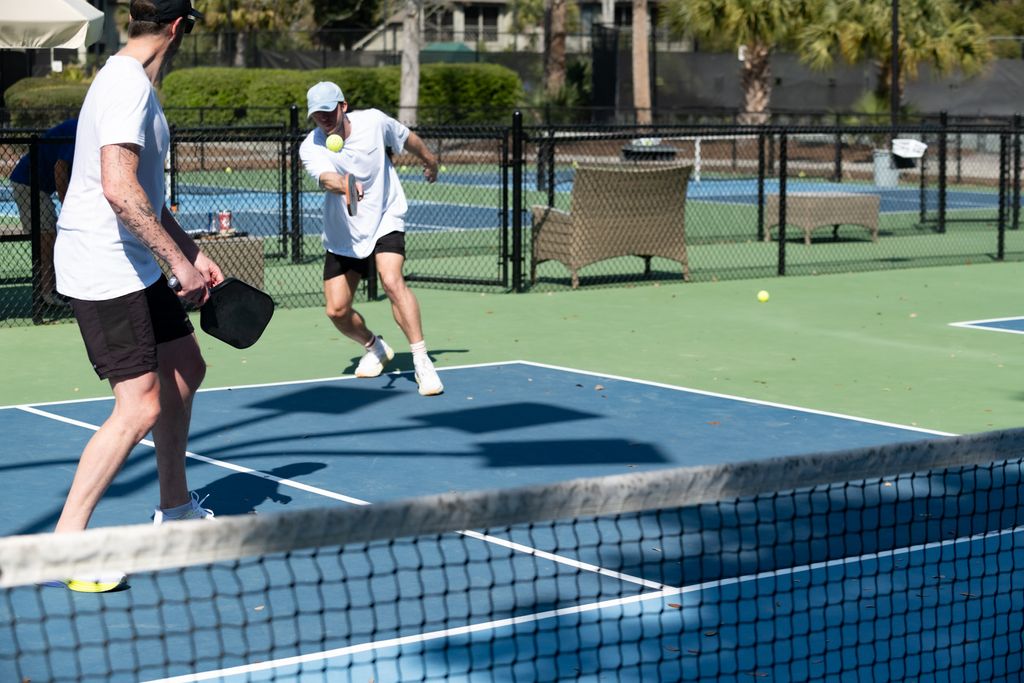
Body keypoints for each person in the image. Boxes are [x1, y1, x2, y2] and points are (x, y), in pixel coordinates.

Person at [48, 0, 220, 593]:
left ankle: (175, 512)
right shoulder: (126, 86)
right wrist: (177, 264)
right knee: (139, 405)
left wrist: (191, 251)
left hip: (132, 259)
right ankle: (65, 546)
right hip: (103, 264)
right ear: (178, 28)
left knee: (185, 367)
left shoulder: (131, 82)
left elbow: (145, 194)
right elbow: (119, 190)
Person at [299, 81, 444, 397]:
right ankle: (375, 346)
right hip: (345, 231)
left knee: (392, 281)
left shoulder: (375, 122)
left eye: (328, 110)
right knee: (337, 311)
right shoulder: (311, 146)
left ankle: (421, 361)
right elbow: (326, 178)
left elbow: (407, 139)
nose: (323, 118)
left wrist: (430, 159)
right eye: (317, 114)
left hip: (385, 215)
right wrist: (345, 184)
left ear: (343, 106)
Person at [9, 117, 78, 307]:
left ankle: (53, 289)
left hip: (39, 187)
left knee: (50, 237)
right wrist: (68, 206)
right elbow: (60, 169)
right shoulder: (78, 129)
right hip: (28, 183)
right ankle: (47, 292)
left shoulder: (81, 127)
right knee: (46, 238)